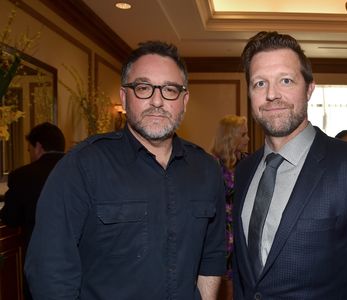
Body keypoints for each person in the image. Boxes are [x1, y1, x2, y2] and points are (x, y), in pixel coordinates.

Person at [24, 41, 226, 300]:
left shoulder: (207, 169)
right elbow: (49, 271)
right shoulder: (82, 166)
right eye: (143, 88)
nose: (157, 101)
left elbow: (212, 254)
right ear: (124, 97)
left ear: (184, 100)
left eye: (170, 90)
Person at [233, 31, 347, 299]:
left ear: (309, 89)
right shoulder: (243, 171)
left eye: (286, 80)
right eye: (259, 83)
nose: (272, 94)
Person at [0, 122, 65, 300]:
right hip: (82, 261)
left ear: (38, 147)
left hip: (40, 261)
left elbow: (10, 218)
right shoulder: (83, 170)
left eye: (29, 150)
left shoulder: (22, 176)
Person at [211, 115, 249, 298]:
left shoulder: (249, 163)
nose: (248, 140)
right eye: (243, 135)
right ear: (230, 137)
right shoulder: (211, 165)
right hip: (220, 235)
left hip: (244, 234)